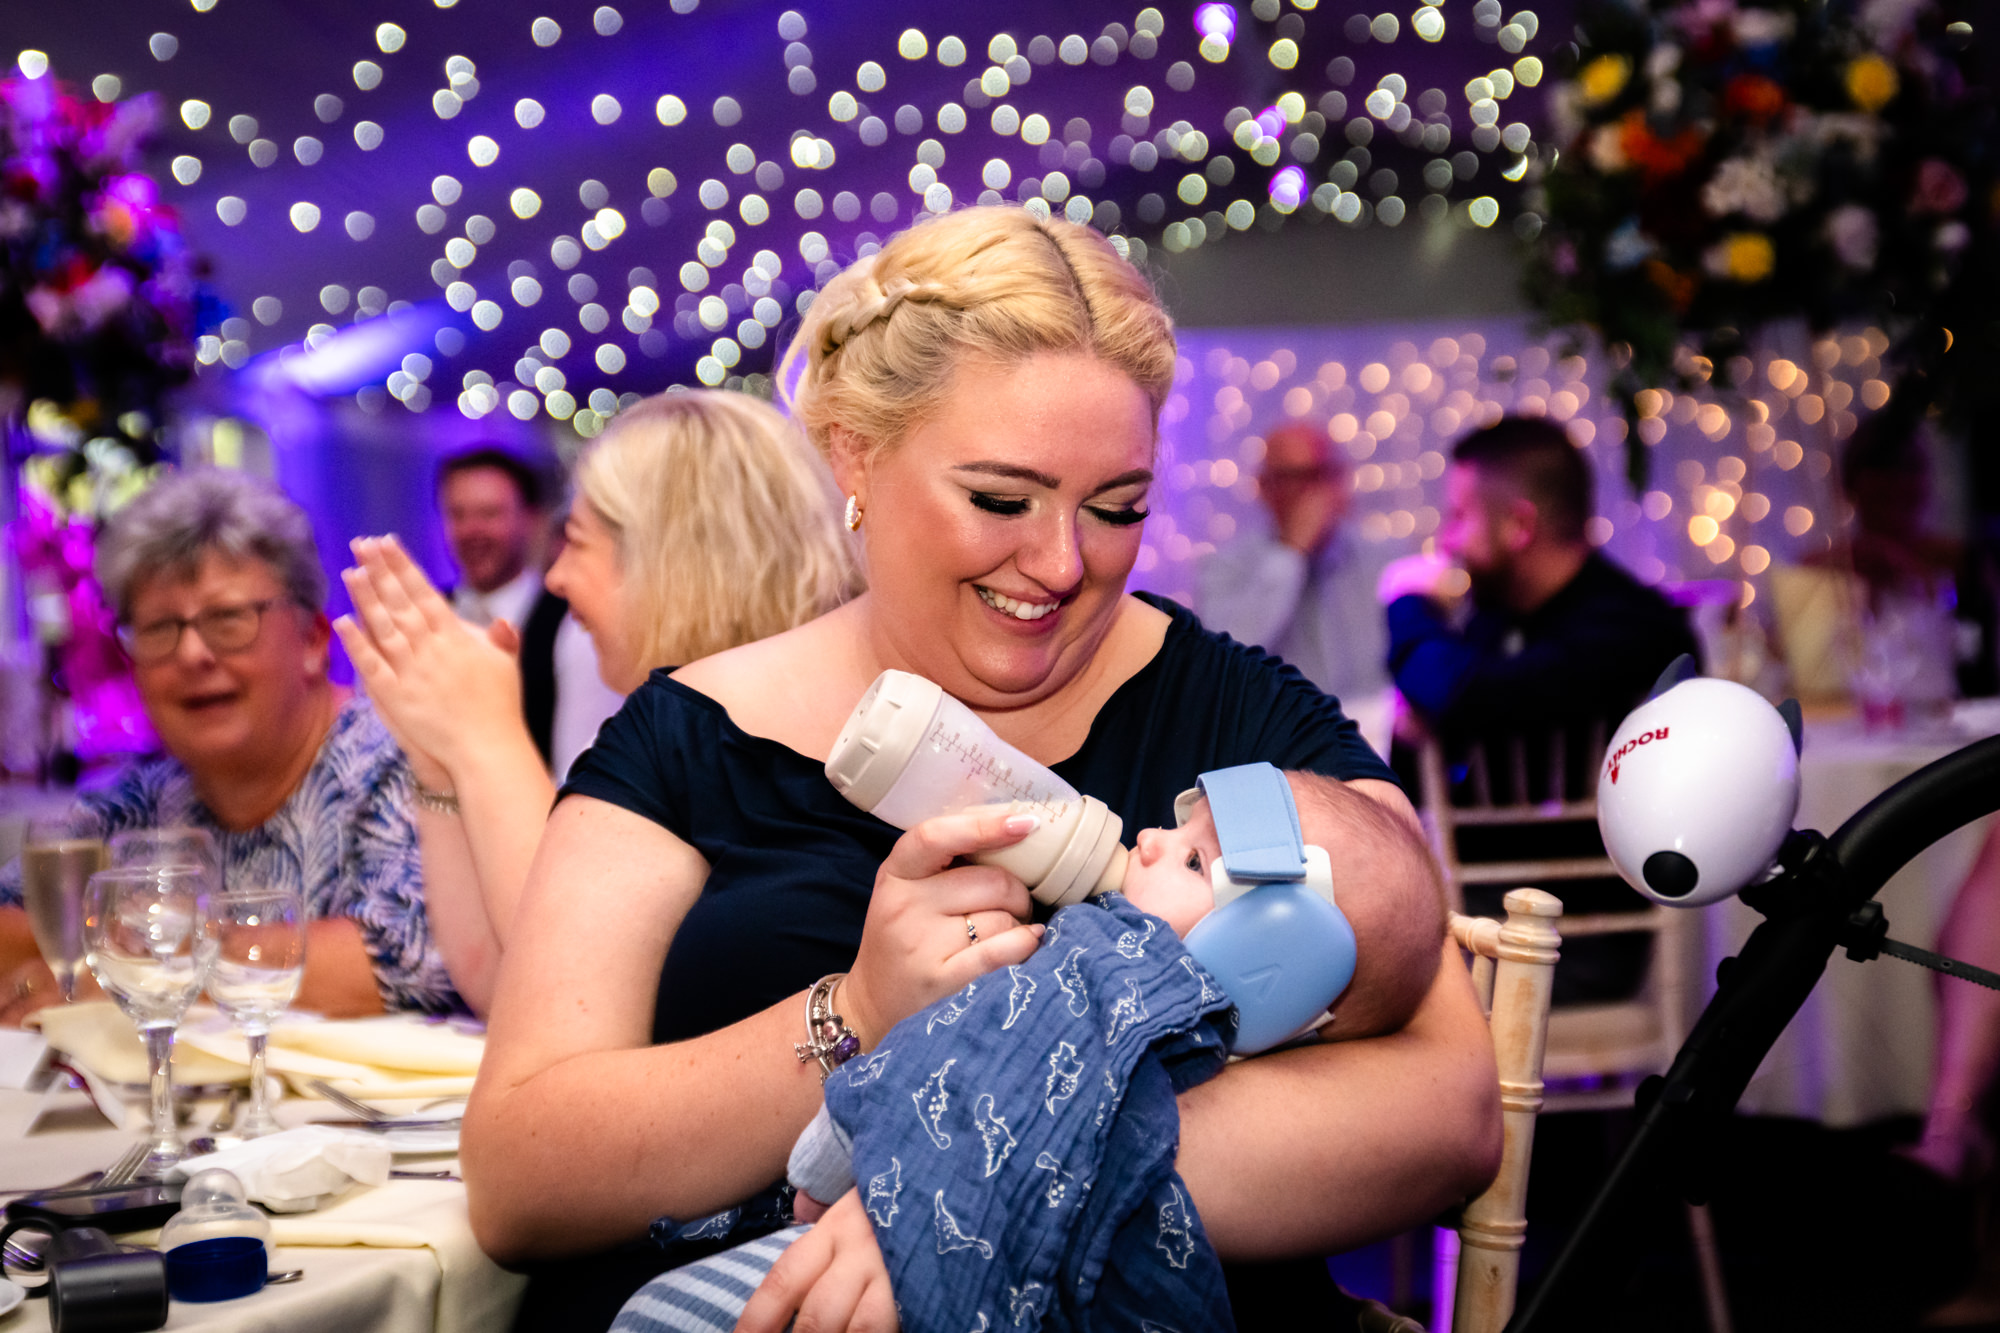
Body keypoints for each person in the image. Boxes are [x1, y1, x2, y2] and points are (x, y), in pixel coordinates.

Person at [460, 206, 1499, 1333]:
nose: (1059, 564)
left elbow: (1446, 1113)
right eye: (1000, 500)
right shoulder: (682, 741)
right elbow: (520, 1179)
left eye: (1116, 509)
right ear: (856, 451)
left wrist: (963, 1188)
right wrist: (857, 1009)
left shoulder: (1247, 724)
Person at [612, 767, 1447, 1333]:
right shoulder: (1090, 968)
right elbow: (940, 1055)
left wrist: (837, 1164)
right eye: (1180, 827)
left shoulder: (1108, 988)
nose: (1152, 841)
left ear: (1290, 964)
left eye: (1195, 859)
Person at [337, 390, 859, 1016]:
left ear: (668, 560)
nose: (554, 579)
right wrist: (436, 758)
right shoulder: (677, 735)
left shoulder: (776, 763)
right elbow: (502, 989)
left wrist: (489, 736)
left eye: (576, 544)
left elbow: (561, 991)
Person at [0, 468, 456, 1024]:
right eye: (160, 627)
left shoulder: (400, 766)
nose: (192, 654)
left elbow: (404, 964)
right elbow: (14, 924)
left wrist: (135, 965)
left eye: (228, 619)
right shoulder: (144, 802)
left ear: (312, 641)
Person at [1383, 415, 1699, 751]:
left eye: (1460, 516)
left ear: (1519, 525)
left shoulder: (1631, 630)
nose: (1447, 541)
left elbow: (1460, 694)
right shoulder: (1497, 619)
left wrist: (1408, 601)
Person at [1197, 422, 1392, 751]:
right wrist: (1291, 553)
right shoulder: (1226, 568)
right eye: (1291, 478)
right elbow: (1226, 661)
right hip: (1283, 750)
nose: (1308, 494)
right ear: (1264, 486)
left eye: (1318, 476)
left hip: (1383, 747)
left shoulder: (1383, 560)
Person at [435, 447, 623, 782]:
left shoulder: (573, 625)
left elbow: (578, 775)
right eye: (457, 514)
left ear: (531, 520)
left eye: (489, 514)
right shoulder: (427, 616)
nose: (471, 530)